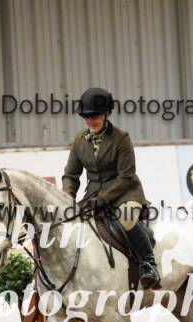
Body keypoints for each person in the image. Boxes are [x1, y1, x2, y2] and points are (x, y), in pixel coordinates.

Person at [61, 87, 161, 289]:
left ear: (106, 114)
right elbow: (71, 175)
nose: (90, 121)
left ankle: (148, 264)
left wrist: (102, 199)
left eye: (95, 116)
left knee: (126, 217)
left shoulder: (121, 138)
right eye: (87, 117)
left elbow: (126, 176)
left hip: (125, 193)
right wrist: (67, 199)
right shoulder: (79, 140)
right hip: (92, 196)